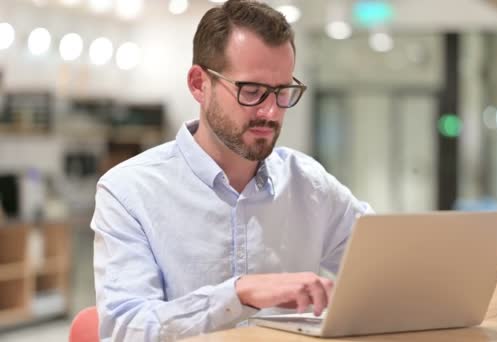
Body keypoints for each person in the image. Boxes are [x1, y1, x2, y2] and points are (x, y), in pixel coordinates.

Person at [91, 0, 371, 340]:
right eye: (251, 91)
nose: (270, 112)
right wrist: (238, 294)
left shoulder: (309, 184)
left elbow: (391, 266)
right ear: (198, 84)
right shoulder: (129, 191)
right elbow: (125, 330)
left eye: (283, 92)